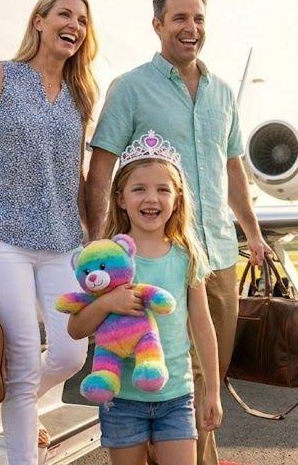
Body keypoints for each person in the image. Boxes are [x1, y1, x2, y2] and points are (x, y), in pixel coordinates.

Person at [86, 0, 271, 464]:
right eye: (180, 18)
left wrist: (252, 233)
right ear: (158, 25)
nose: (191, 28)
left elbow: (233, 169)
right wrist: (97, 241)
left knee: (208, 377)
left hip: (217, 256)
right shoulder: (130, 88)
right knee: (155, 377)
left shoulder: (222, 93)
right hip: (151, 258)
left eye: (199, 19)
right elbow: (102, 169)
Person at [0, 0, 99, 464]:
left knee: (69, 354)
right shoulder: (0, 76)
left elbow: (74, 171)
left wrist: (94, 234)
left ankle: (19, 401)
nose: (74, 26)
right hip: (0, 233)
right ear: (39, 21)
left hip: (62, 239)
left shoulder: (81, 94)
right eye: (65, 14)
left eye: (83, 20)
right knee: (25, 356)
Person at [69, 131, 223, 464]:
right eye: (139, 188)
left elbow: (202, 326)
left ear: (177, 198)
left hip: (176, 396)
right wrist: (107, 303)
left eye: (162, 189)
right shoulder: (107, 259)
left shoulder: (187, 256)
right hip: (122, 398)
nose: (151, 198)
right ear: (121, 198)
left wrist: (212, 390)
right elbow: (76, 328)